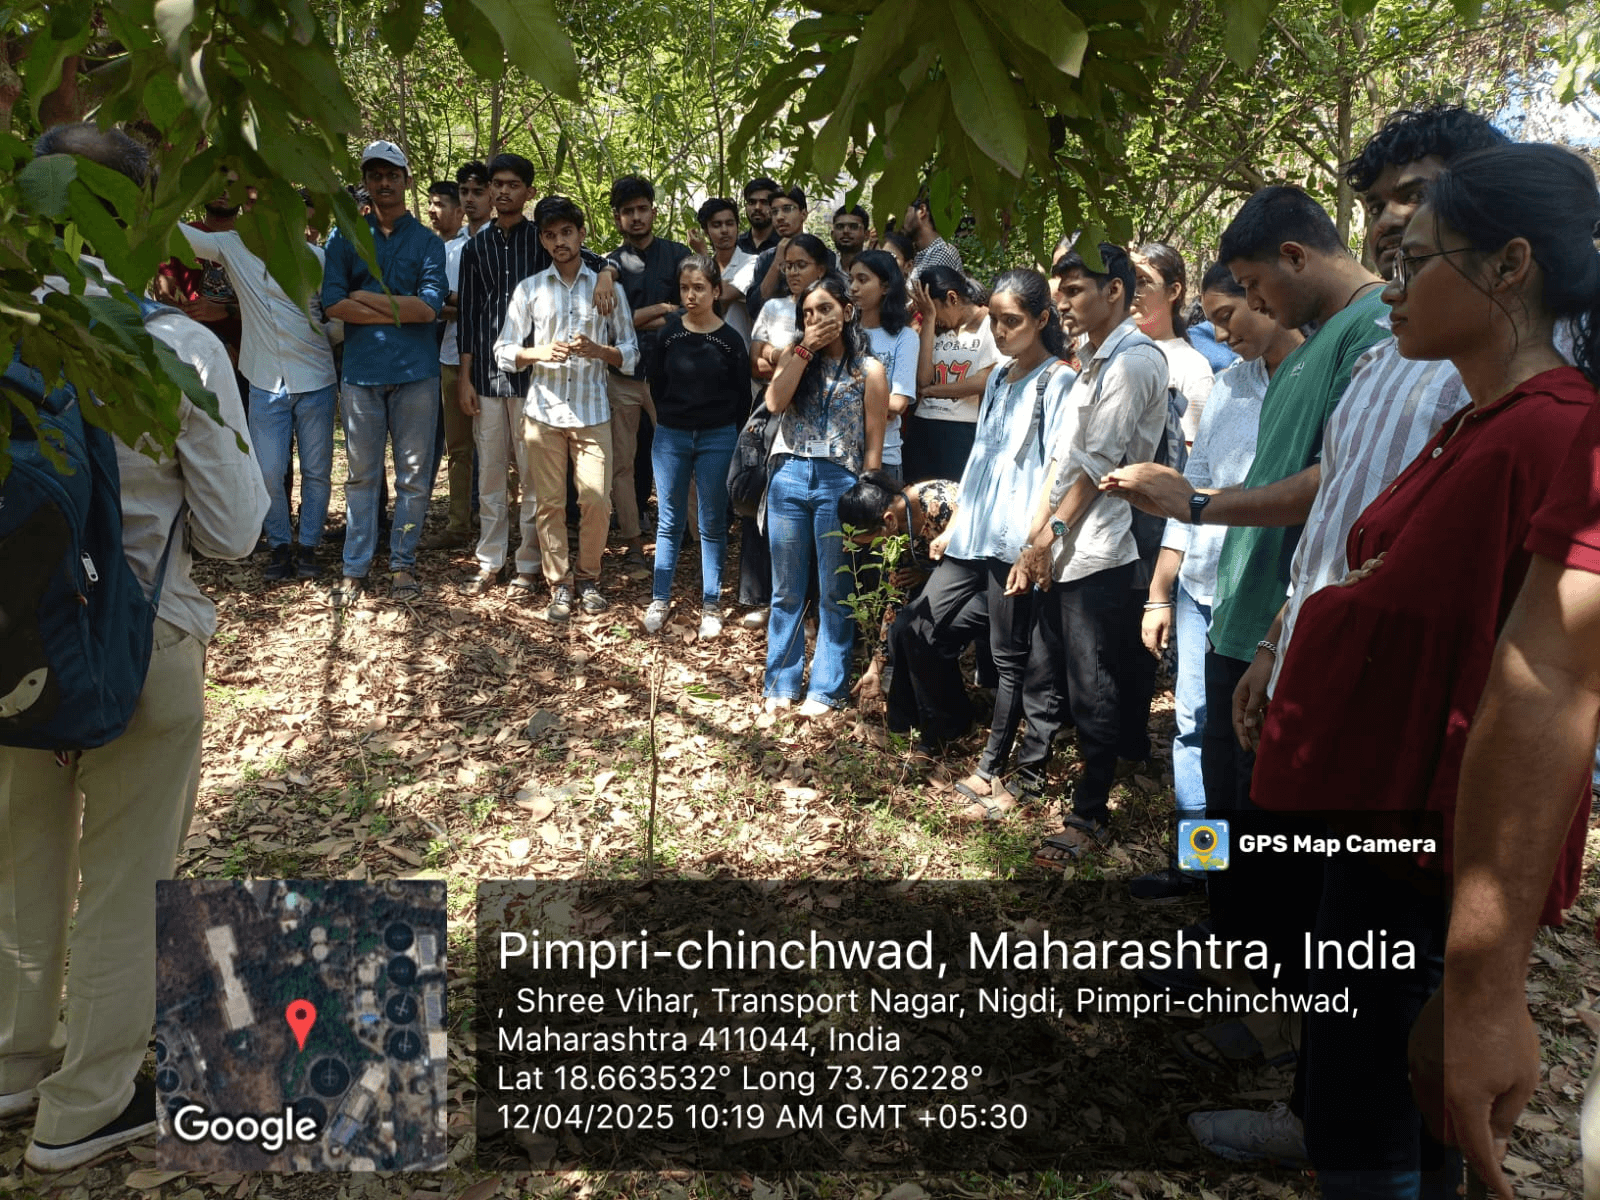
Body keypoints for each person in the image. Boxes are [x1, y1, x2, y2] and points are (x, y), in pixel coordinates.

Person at [1245, 142, 1600, 1199]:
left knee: (1392, 1142)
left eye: (1417, 261)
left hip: (1427, 879)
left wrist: (1478, 977)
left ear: (1506, 268)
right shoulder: (1471, 422)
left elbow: (1542, 704)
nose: (1389, 284)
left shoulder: (1561, 439)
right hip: (1375, 849)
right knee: (1361, 1108)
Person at [2, 123, 268, 1173]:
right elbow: (239, 528)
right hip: (142, 639)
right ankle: (87, 1106)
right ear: (141, 212)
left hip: (14, 641)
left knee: (19, 861)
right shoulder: (174, 344)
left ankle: (14, 1063)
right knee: (124, 882)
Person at [1127, 262, 1301, 901]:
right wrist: (1161, 590)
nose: (1219, 332)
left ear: (1267, 298)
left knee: (1252, 745)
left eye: (1229, 315)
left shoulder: (1321, 383)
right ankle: (1201, 867)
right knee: (1195, 727)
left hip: (1271, 596)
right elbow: (1189, 490)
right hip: (1203, 588)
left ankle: (1252, 897)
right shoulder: (1228, 386)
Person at [1008, 246, 1169, 851]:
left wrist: (1048, 541)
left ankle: (1090, 813)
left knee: (1092, 686)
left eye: (1075, 290)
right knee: (1044, 672)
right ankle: (1028, 782)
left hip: (1098, 551)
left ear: (1116, 293)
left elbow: (1099, 470)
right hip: (1062, 547)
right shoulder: (1094, 363)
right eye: (1061, 289)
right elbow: (1062, 460)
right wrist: (1035, 541)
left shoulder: (1134, 364)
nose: (1063, 301)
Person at [918, 270, 1075, 817]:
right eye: (999, 320)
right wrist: (956, 525)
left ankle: (991, 770)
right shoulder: (1000, 377)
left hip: (1015, 541)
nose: (1004, 330)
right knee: (920, 622)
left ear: (1041, 321)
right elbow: (981, 454)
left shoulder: (1058, 381)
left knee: (1010, 659)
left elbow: (1057, 465)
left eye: (1015, 321)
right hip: (976, 533)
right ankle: (946, 727)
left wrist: (1036, 543)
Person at [455, 153, 618, 597]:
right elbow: (468, 315)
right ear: (489, 189)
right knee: (490, 475)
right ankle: (490, 562)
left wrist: (607, 271)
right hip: (491, 374)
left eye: (513, 184)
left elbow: (594, 259)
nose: (503, 191)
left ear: (528, 190)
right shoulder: (475, 247)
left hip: (539, 383)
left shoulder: (543, 237)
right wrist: (465, 377)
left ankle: (529, 565)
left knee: (534, 482)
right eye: (496, 183)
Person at [176, 189, 339, 584]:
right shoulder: (233, 246)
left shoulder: (315, 258)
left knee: (316, 471)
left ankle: (310, 547)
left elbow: (336, 317)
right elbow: (180, 234)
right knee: (268, 471)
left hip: (315, 378)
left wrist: (320, 337)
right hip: (265, 380)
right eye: (250, 205)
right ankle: (281, 546)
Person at [493, 196, 638, 621]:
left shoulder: (607, 288)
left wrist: (599, 351)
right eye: (551, 235)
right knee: (549, 504)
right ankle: (560, 585)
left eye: (567, 232)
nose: (560, 241)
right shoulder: (531, 289)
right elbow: (502, 350)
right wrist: (537, 353)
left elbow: (630, 353)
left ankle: (589, 577)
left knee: (596, 501)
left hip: (593, 413)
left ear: (581, 234)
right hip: (543, 413)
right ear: (543, 240)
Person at [320, 139, 448, 605]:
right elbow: (332, 303)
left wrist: (366, 299)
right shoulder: (345, 237)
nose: (385, 182)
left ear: (406, 180)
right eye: (376, 175)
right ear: (367, 183)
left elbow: (429, 310)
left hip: (417, 372)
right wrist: (399, 308)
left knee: (414, 477)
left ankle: (402, 563)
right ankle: (355, 567)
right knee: (361, 475)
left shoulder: (428, 242)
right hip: (361, 374)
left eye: (393, 174)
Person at [762, 275, 889, 716]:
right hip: (790, 475)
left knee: (835, 589)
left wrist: (868, 493)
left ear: (848, 311)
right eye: (808, 313)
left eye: (825, 310)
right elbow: (775, 403)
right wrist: (803, 349)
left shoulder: (870, 370)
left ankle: (826, 688)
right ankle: (780, 683)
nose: (815, 319)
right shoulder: (795, 356)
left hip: (840, 480)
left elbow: (874, 440)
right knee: (787, 590)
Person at [641, 255, 749, 638]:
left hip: (718, 437)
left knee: (712, 522)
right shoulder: (668, 334)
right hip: (671, 435)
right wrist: (672, 421)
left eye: (699, 287)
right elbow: (656, 383)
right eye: (685, 287)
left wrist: (724, 432)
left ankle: (711, 604)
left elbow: (741, 397)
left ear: (716, 291)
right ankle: (659, 597)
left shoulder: (731, 341)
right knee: (669, 520)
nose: (691, 295)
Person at [738, 234, 835, 629]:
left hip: (822, 424)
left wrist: (781, 356)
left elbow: (805, 365)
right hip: (773, 416)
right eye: (788, 265)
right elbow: (756, 365)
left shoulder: (832, 311)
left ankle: (814, 609)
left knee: (818, 518)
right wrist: (788, 358)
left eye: (802, 265)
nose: (793, 272)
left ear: (822, 269)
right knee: (767, 506)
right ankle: (767, 599)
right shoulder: (774, 307)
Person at [607, 174, 692, 576]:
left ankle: (692, 541)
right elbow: (611, 325)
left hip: (671, 376)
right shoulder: (608, 265)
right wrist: (661, 309)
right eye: (628, 211)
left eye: (643, 209)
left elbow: (689, 313)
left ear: (653, 211)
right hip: (622, 375)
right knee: (622, 463)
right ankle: (631, 543)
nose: (637, 217)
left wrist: (652, 315)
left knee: (680, 457)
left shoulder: (677, 255)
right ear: (618, 218)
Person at [837, 470, 962, 735]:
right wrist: (875, 668)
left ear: (888, 521)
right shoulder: (894, 534)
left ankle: (947, 725)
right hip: (940, 582)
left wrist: (928, 573)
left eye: (870, 542)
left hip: (979, 578)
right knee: (904, 627)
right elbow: (895, 600)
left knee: (920, 630)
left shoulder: (939, 505)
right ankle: (904, 724)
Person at [905, 265, 1000, 484]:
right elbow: (922, 378)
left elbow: (985, 379)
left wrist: (933, 391)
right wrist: (928, 320)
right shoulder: (934, 327)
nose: (931, 315)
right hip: (924, 426)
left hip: (963, 429)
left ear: (952, 298)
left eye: (932, 309)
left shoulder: (989, 324)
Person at [421, 179, 474, 552]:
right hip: (446, 356)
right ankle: (458, 523)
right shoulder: (429, 248)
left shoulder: (470, 248)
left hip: (483, 358)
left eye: (440, 204)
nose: (432, 211)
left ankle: (492, 521)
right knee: (456, 447)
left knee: (493, 447)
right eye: (430, 203)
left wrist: (440, 305)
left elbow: (458, 303)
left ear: (460, 211)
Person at [1131, 243, 1214, 442]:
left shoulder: (1193, 368)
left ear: (1173, 291)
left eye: (1143, 282)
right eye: (1129, 282)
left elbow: (1192, 452)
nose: (1133, 292)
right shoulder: (1113, 352)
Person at [849, 250, 918, 474]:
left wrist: (845, 399)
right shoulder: (843, 333)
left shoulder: (904, 337)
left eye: (863, 280)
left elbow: (898, 404)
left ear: (886, 287)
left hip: (885, 455)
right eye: (851, 280)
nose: (853, 288)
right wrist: (877, 404)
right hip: (840, 454)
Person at [743, 186, 811, 323]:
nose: (779, 217)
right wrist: (778, 261)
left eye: (787, 209)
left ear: (803, 214)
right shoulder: (766, 258)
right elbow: (755, 309)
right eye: (774, 211)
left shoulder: (822, 254)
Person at [696, 197, 754, 345]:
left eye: (730, 224)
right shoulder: (698, 268)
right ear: (706, 231)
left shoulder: (752, 262)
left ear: (737, 227)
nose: (724, 230)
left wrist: (703, 255)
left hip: (740, 351)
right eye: (716, 225)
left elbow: (725, 293)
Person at [902, 190, 963, 285]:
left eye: (904, 211)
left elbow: (918, 296)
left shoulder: (942, 252)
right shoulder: (918, 254)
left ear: (922, 211)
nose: (899, 219)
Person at [737, 176, 781, 255]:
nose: (757, 208)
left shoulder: (785, 245)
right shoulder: (736, 245)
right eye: (752, 202)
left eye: (764, 202)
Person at [831, 204, 869, 272]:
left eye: (854, 226)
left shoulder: (877, 272)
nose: (846, 231)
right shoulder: (822, 272)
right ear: (832, 235)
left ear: (866, 234)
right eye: (840, 226)